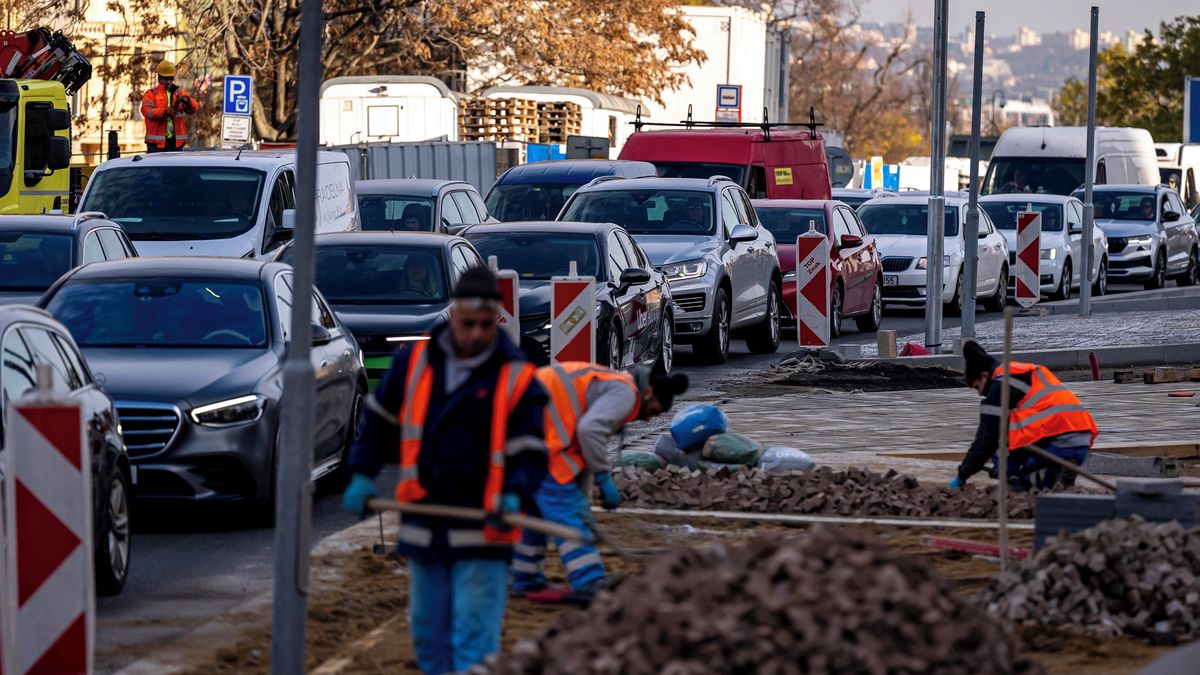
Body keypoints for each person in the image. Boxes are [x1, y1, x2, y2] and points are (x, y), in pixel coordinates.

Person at [341, 267, 548, 675]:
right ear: (453, 315)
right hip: (427, 523)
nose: (476, 334)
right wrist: (362, 472)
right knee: (428, 633)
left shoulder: (517, 378)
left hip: (484, 527)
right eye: (468, 323)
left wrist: (515, 492)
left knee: (474, 637)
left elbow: (531, 453)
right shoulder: (415, 363)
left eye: (486, 325)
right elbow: (378, 421)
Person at [511, 363, 688, 597]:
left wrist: (583, 498)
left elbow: (584, 448)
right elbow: (590, 431)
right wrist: (603, 477)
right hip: (545, 449)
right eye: (654, 411)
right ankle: (588, 581)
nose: (648, 419)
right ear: (648, 393)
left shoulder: (612, 384)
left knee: (536, 514)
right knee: (568, 516)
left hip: (527, 441)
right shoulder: (626, 393)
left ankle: (525, 577)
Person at [950, 341, 1098, 492]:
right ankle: (1056, 478)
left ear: (984, 375)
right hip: (1081, 441)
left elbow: (985, 439)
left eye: (977, 387)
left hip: (1057, 443)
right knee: (1031, 465)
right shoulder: (1025, 371)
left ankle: (1015, 483)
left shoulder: (999, 386)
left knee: (999, 441)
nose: (980, 393)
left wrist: (962, 474)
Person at [140, 60, 200, 153]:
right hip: (156, 145)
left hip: (176, 144)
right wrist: (164, 112)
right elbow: (147, 111)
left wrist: (188, 101)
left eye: (171, 79)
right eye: (166, 79)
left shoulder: (179, 92)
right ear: (159, 78)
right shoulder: (151, 94)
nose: (169, 82)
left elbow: (195, 108)